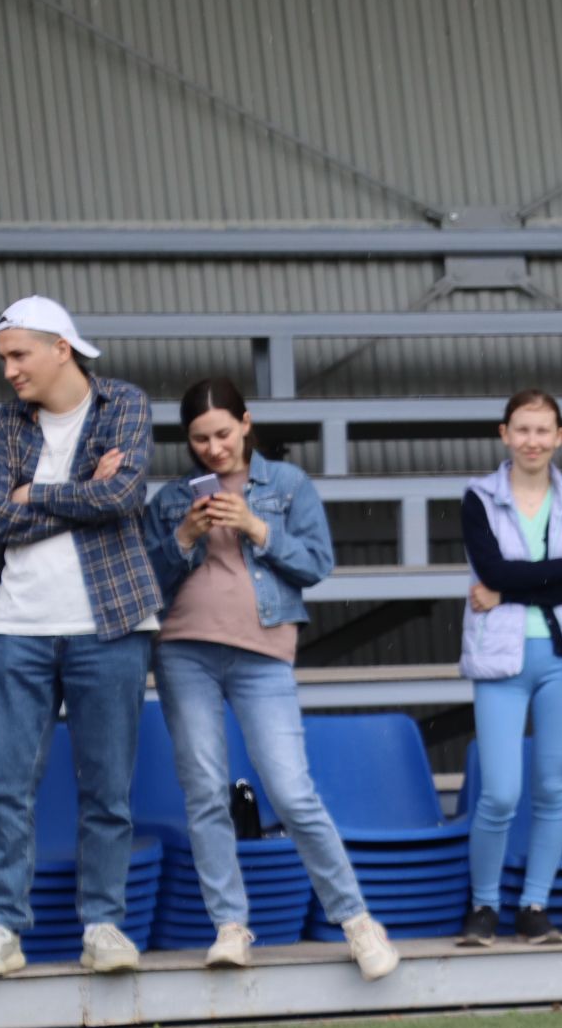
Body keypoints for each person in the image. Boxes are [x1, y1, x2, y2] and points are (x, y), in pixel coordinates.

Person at [144, 378, 401, 980]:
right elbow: (148, 584)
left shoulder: (286, 485)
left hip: (263, 654)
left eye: (224, 434)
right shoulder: (171, 498)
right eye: (200, 439)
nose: (213, 448)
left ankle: (358, 922)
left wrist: (257, 527)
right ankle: (229, 926)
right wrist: (184, 537)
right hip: (184, 650)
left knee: (291, 791)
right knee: (205, 792)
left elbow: (317, 564)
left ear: (247, 423)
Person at [0, 296, 163, 979]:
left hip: (108, 623)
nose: (9, 371)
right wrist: (79, 489)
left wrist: (34, 494)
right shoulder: (4, 424)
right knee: (4, 787)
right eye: (3, 359)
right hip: (16, 626)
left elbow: (123, 498)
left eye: (19, 356)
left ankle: (103, 925)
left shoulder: (125, 404)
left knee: (107, 788)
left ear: (61, 349)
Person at [459, 390, 562, 946]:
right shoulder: (479, 498)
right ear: (504, 433)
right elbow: (493, 567)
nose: (532, 441)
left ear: (560, 436)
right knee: (498, 792)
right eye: (522, 429)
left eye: (543, 430)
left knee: (551, 787)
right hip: (500, 658)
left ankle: (535, 905)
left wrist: (513, 586)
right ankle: (483, 906)